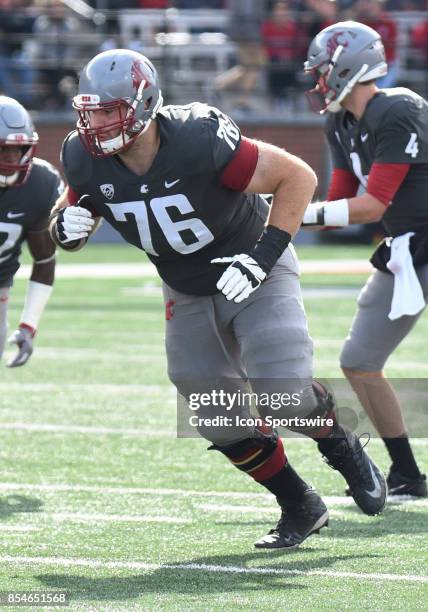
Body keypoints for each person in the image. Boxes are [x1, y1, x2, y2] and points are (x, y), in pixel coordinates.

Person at [49, 48, 386, 550]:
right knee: (213, 412)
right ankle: (299, 503)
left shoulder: (198, 137)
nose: (94, 123)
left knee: (283, 393)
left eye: (109, 110)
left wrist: (263, 257)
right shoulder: (81, 155)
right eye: (89, 111)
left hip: (253, 267)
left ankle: (342, 446)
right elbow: (73, 213)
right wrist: (64, 228)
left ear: (143, 106)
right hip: (185, 287)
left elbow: (297, 177)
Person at [302, 21, 427, 497]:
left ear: (346, 67)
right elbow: (339, 206)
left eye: (322, 71)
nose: (317, 80)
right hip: (406, 249)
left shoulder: (397, 108)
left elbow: (372, 205)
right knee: (359, 361)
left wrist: (296, 215)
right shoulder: (339, 119)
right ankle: (408, 475)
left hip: (417, 242)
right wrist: (285, 209)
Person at [0, 96, 62, 367]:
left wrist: (28, 326)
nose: (13, 158)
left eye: (20, 149)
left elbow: (44, 259)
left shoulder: (40, 184)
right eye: (3, 150)